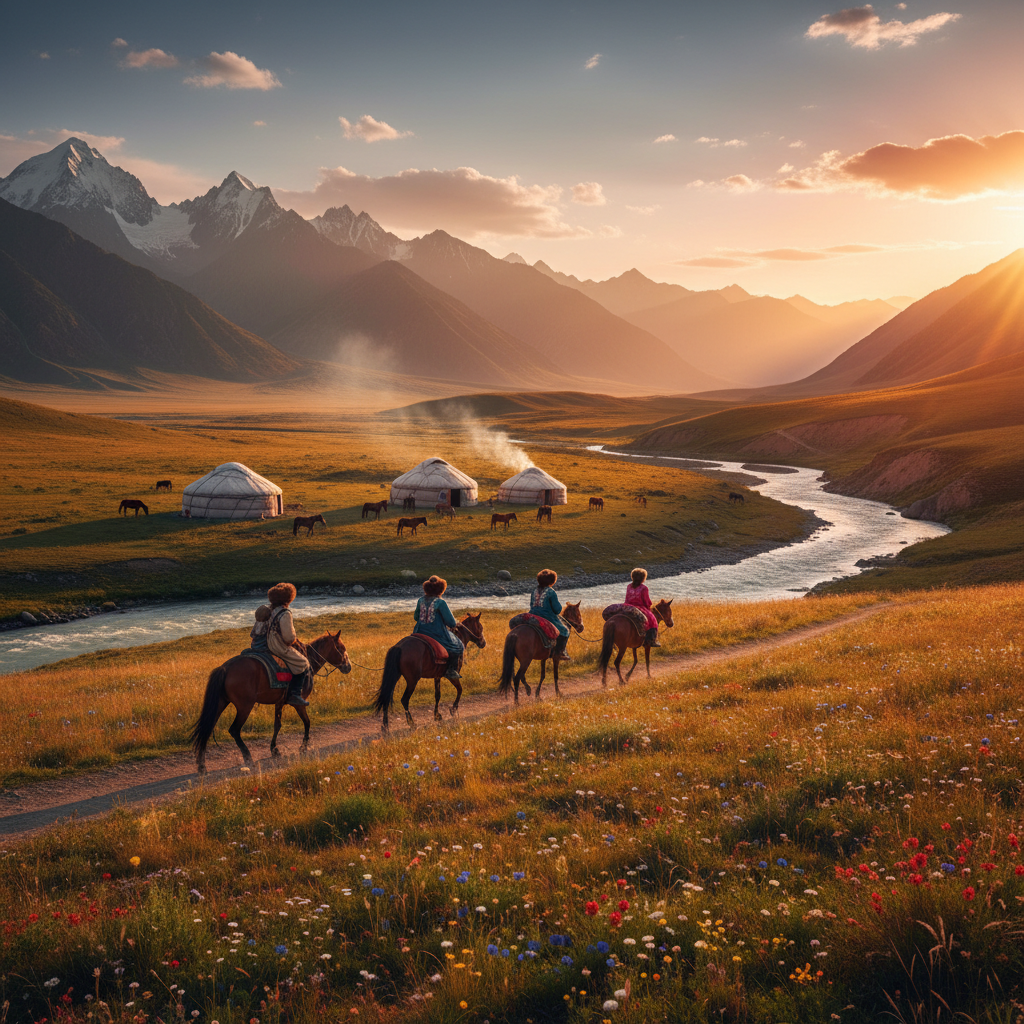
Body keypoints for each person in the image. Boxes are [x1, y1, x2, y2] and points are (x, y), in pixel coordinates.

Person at [266, 582, 311, 708]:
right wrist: (294, 640)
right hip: (278, 645)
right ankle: (295, 695)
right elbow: (288, 637)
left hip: (267, 643)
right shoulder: (285, 613)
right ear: (288, 598)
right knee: (303, 662)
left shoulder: (271, 610)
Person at [414, 575, 464, 681]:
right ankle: (451, 670)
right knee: (457, 646)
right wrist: (455, 623)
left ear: (426, 588)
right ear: (440, 589)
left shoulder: (420, 600)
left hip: (419, 632)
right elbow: (451, 623)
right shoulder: (440, 602)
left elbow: (416, 617)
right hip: (436, 633)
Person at [530, 568, 571, 661]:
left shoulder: (534, 591)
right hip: (547, 617)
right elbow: (557, 610)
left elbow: (531, 605)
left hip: (532, 616)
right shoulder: (551, 592)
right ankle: (560, 652)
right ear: (552, 580)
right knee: (565, 631)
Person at [624, 567, 661, 647]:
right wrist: (649, 607)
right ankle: (652, 640)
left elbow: (627, 598)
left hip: (627, 607)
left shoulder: (629, 586)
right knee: (653, 620)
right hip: (640, 607)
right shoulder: (644, 588)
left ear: (632, 577)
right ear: (643, 578)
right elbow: (646, 601)